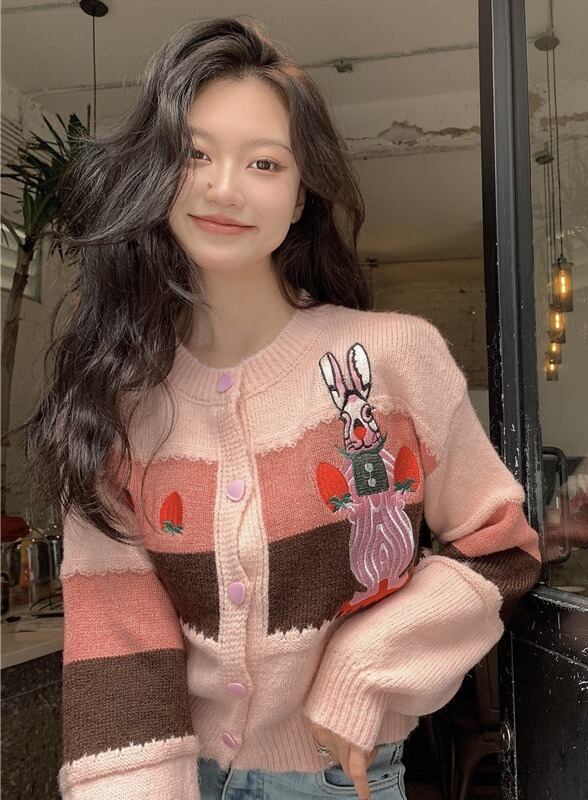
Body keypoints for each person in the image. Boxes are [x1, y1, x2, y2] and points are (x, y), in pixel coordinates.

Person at [18, 16, 542, 800]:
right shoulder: (114, 397)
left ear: (301, 196)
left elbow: (501, 547)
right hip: (175, 776)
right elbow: (118, 629)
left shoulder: (392, 359)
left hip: (336, 780)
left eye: (264, 162)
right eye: (194, 154)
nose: (224, 187)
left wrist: (366, 668)